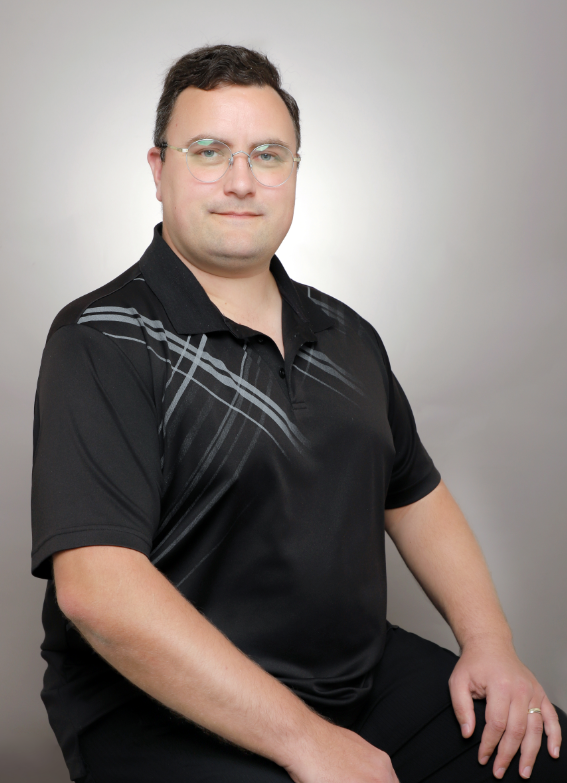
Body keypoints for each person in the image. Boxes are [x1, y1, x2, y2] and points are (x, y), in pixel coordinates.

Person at [31, 44, 565, 783]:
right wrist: (306, 742)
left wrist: (490, 643)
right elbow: (98, 592)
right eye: (209, 151)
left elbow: (415, 497)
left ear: (293, 172)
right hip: (160, 708)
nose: (241, 180)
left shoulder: (346, 333)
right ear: (158, 170)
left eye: (268, 155)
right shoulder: (104, 337)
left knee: (543, 752)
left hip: (355, 681)